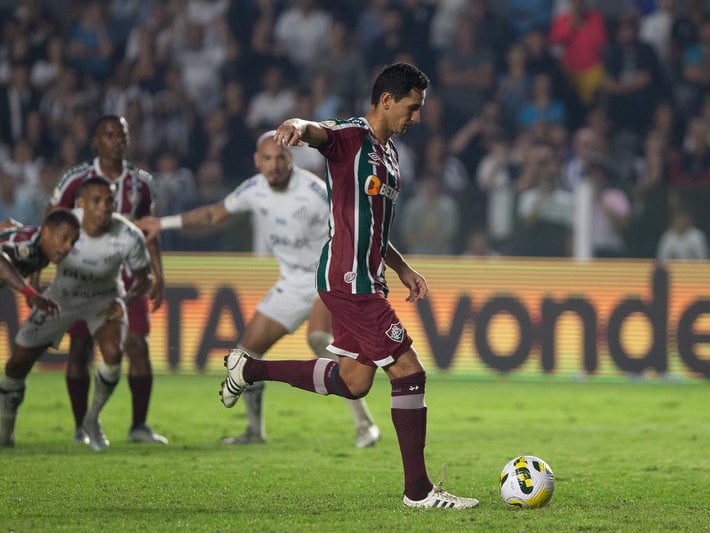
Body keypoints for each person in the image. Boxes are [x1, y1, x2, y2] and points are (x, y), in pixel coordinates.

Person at [220, 62, 479, 509]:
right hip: (348, 280)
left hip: (368, 279)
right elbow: (318, 131)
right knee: (409, 373)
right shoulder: (353, 137)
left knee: (355, 380)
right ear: (386, 100)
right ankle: (418, 492)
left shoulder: (389, 153)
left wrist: (401, 268)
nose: (416, 117)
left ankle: (248, 368)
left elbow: (374, 229)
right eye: (412, 108)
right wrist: (295, 125)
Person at [134, 131, 381, 448]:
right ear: (257, 161)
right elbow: (212, 214)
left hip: (327, 278)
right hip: (291, 284)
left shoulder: (316, 192)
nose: (274, 166)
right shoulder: (253, 190)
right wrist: (163, 224)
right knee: (245, 354)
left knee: (319, 339)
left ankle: (365, 426)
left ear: (291, 159)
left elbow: (354, 227)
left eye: (281, 158)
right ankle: (254, 431)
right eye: (268, 159)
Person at [0, 177, 151, 449]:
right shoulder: (66, 224)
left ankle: (91, 420)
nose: (104, 207)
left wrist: (125, 300)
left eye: (109, 201)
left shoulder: (128, 235)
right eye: (96, 200)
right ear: (81, 203)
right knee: (17, 363)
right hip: (62, 297)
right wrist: (34, 288)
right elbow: (37, 243)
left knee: (114, 353)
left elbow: (145, 279)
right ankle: (5, 434)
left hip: (103, 299)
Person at [47, 115, 166, 445]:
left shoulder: (141, 183)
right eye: (109, 135)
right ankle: (79, 427)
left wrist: (159, 273)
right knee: (81, 349)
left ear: (128, 140)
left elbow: (149, 230)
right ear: (96, 140)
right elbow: (51, 221)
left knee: (137, 346)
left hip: (129, 278)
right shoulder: (77, 179)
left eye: (122, 135)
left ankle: (138, 426)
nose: (116, 141)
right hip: (83, 279)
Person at [0, 209, 81, 316]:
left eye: (73, 242)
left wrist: (41, 301)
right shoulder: (29, 246)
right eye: (64, 238)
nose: (69, 246)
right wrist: (31, 294)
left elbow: (32, 299)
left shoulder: (43, 254)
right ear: (46, 232)